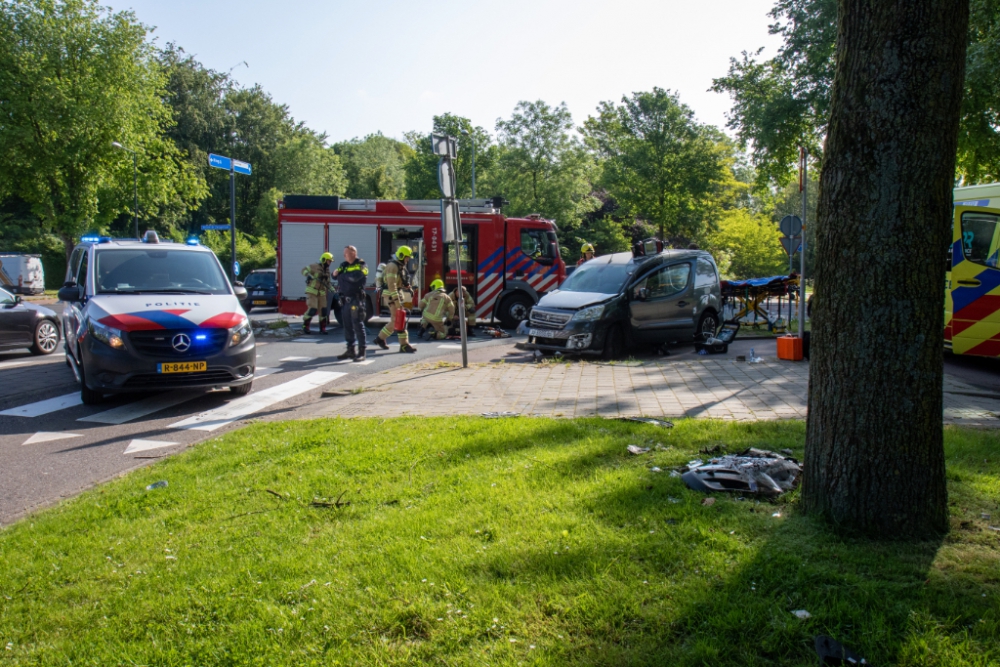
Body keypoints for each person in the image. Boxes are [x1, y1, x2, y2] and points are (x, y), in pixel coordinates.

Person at [375, 246, 417, 353]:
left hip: (397, 294)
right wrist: (397, 302)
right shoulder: (392, 266)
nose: (408, 260)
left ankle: (380, 339)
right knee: (398, 319)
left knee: (397, 320)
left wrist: (407, 286)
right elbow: (391, 285)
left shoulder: (400, 266)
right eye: (407, 257)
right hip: (391, 295)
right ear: (401, 255)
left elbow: (399, 282)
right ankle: (403, 345)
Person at [332, 245, 369, 361]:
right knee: (347, 326)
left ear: (353, 253)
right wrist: (337, 275)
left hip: (356, 299)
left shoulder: (361, 264)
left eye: (346, 253)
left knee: (357, 325)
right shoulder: (344, 265)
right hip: (345, 300)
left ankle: (362, 352)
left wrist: (341, 276)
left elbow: (355, 278)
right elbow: (334, 276)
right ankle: (350, 350)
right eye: (344, 253)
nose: (344, 255)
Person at [301, 252, 333, 334]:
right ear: (324, 260)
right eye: (329, 261)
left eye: (330, 261)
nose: (330, 263)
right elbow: (303, 270)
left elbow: (328, 283)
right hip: (312, 291)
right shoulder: (314, 266)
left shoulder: (327, 271)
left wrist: (333, 290)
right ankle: (306, 326)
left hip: (322, 293)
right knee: (313, 309)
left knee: (323, 311)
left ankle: (322, 329)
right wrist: (308, 275)